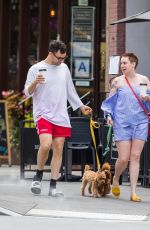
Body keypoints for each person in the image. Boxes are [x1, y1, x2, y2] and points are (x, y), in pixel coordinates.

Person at [24, 40, 92, 197]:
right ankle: (38, 175)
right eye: (59, 58)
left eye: (64, 58)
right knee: (46, 145)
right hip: (43, 114)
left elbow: (70, 91)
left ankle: (53, 186)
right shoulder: (35, 68)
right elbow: (27, 92)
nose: (61, 61)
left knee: (59, 148)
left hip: (60, 114)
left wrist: (81, 106)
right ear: (50, 53)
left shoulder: (64, 68)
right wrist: (35, 82)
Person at [101, 52, 150, 202]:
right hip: (122, 123)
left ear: (133, 64)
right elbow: (110, 103)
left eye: (125, 63)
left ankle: (133, 192)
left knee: (135, 157)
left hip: (140, 121)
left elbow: (148, 102)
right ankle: (116, 178)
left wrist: (147, 98)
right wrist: (109, 116)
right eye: (121, 63)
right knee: (123, 158)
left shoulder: (144, 80)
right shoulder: (117, 82)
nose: (122, 66)